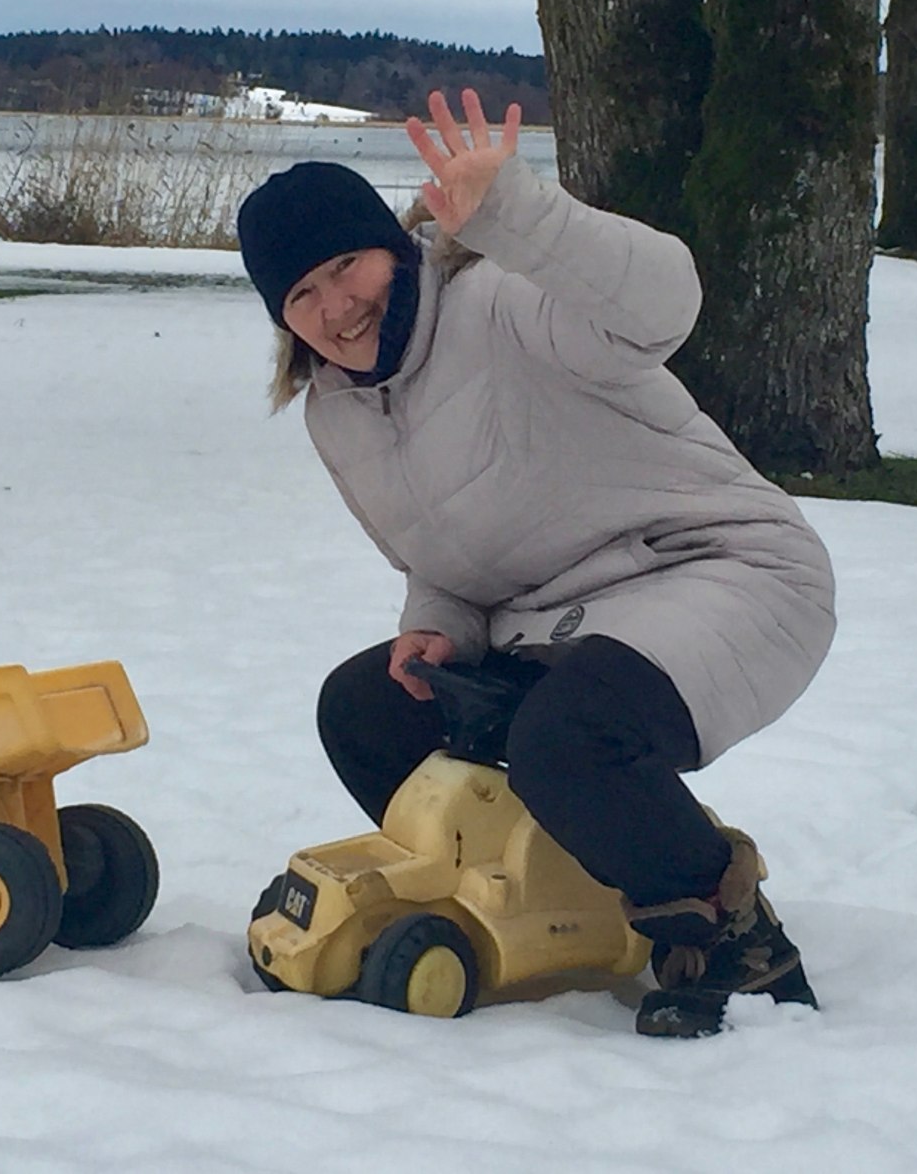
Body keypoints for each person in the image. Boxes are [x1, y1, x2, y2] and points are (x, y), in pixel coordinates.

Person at [235, 88, 837, 1038]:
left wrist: (519, 213)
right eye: (301, 294)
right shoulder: (337, 414)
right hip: (557, 627)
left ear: (393, 245)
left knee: (570, 735)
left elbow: (664, 305)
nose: (336, 306)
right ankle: (557, 881)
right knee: (365, 708)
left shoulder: (505, 302)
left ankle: (727, 931)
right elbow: (443, 558)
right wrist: (436, 625)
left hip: (721, 570)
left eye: (346, 265)